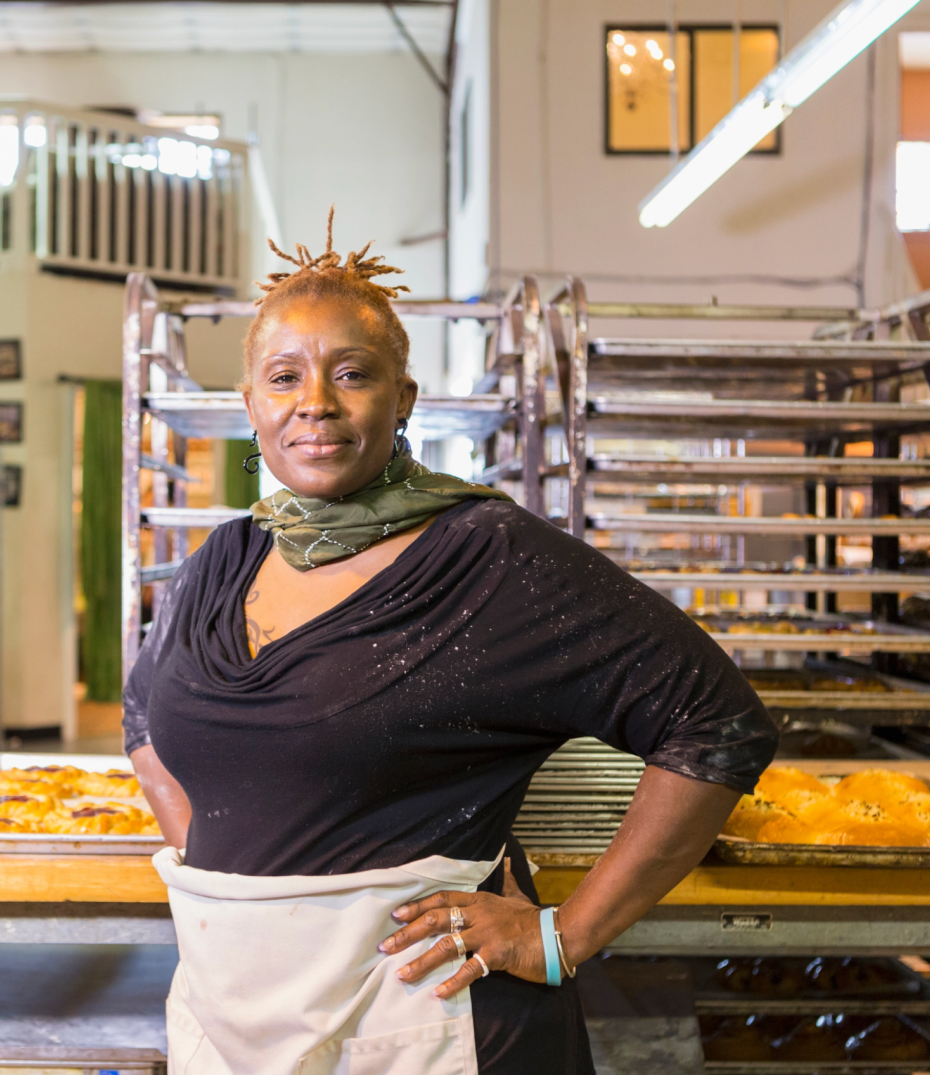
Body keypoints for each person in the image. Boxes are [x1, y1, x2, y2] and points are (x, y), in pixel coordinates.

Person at [124, 212, 778, 1075]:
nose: (314, 401)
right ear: (251, 407)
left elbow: (717, 722)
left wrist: (563, 933)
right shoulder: (224, 558)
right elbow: (144, 715)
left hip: (430, 1018)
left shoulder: (489, 558)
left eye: (352, 373)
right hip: (233, 1014)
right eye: (284, 377)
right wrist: (233, 880)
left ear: (403, 399)